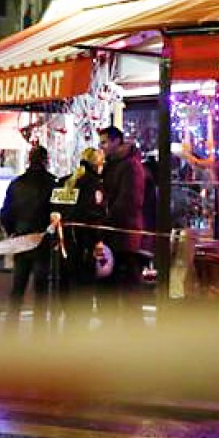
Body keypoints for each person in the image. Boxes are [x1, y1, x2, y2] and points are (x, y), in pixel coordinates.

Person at [51, 147, 107, 333]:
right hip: (84, 243)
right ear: (96, 164)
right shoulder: (93, 185)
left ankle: (68, 322)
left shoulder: (66, 181)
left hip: (64, 242)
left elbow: (55, 209)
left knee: (66, 282)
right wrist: (98, 241)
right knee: (83, 286)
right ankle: (79, 329)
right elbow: (95, 215)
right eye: (101, 162)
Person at [0, 145, 57, 326]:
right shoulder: (52, 183)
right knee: (41, 288)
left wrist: (13, 232)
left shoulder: (16, 183)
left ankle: (11, 327)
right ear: (46, 161)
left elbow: (5, 214)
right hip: (43, 240)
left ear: (29, 160)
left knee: (18, 287)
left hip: (22, 240)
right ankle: (38, 330)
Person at [97, 125, 147, 327]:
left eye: (104, 142)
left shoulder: (129, 166)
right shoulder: (112, 165)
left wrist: (106, 218)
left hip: (123, 235)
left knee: (127, 286)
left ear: (117, 141)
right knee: (112, 285)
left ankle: (132, 330)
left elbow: (129, 201)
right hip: (114, 234)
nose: (102, 147)